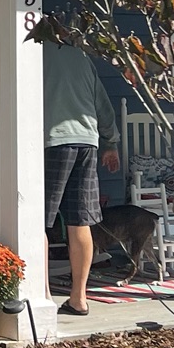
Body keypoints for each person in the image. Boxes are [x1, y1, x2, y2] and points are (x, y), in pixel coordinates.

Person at [43, 44, 119, 314]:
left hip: (53, 142)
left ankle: (43, 296)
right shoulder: (82, 56)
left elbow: (18, 97)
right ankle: (79, 298)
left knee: (38, 221)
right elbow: (102, 103)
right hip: (88, 142)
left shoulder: (32, 53)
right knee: (79, 221)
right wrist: (110, 141)